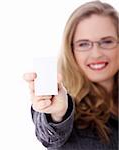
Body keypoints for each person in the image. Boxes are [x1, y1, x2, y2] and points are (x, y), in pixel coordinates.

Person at [23, 1, 119, 149]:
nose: (96, 53)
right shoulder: (64, 103)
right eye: (83, 44)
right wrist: (57, 114)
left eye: (107, 41)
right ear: (71, 50)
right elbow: (51, 136)